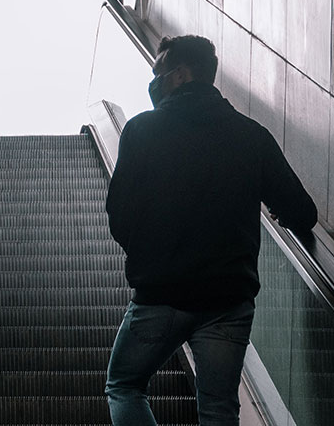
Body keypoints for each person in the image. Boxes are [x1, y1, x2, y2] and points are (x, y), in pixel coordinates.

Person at [105, 35, 317, 425]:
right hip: (227, 300)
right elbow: (302, 212)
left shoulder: (141, 131)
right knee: (219, 409)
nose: (154, 81)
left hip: (161, 294)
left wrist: (151, 257)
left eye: (159, 72)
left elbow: (119, 214)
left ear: (181, 74)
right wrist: (276, 211)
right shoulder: (251, 135)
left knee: (124, 386)